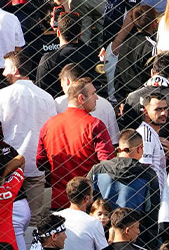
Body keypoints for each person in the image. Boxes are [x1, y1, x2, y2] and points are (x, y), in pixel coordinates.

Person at [37, 78, 115, 209]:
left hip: (59, 199)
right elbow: (108, 163)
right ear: (81, 98)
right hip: (87, 201)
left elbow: (40, 162)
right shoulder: (94, 125)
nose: (96, 98)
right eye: (93, 94)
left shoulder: (49, 125)